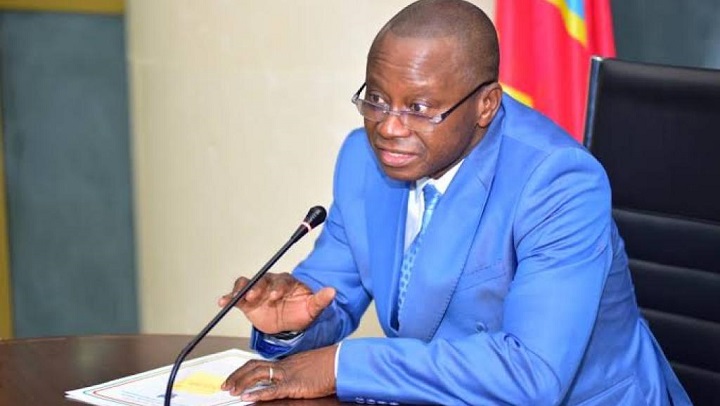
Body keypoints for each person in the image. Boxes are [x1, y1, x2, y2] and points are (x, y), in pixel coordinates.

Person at [218, 0, 691, 404]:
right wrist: (291, 325)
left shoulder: (557, 182)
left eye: (418, 108)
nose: (388, 126)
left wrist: (340, 366)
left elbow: (531, 372)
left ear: (486, 105)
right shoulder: (363, 161)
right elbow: (330, 296)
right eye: (376, 99)